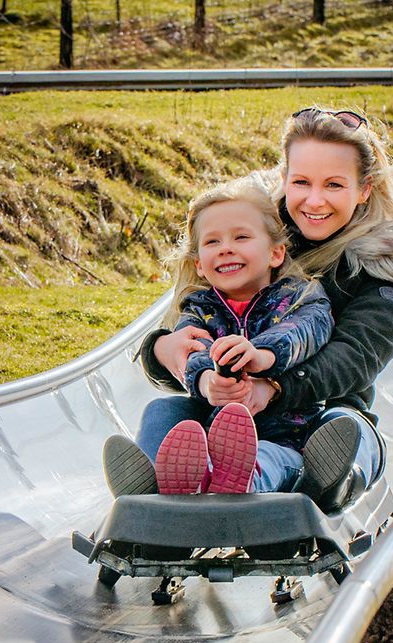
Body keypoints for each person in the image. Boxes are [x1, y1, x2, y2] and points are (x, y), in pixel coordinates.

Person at [110, 107, 393, 510]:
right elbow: (199, 315)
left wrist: (272, 387)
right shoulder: (250, 234)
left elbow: (355, 357)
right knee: (166, 410)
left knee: (349, 431)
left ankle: (321, 484)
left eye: (334, 185)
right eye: (302, 182)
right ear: (284, 177)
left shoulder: (382, 266)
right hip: (223, 412)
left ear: (364, 188)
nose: (315, 200)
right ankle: (150, 492)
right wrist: (162, 350)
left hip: (317, 414)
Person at [105, 176, 333, 496]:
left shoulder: (300, 296)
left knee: (267, 457)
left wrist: (260, 356)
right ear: (199, 264)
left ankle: (237, 480)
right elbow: (193, 348)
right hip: (212, 440)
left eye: (241, 237)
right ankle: (152, 486)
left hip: (285, 440)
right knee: (162, 409)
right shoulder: (200, 307)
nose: (226, 249)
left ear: (275, 253)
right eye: (212, 242)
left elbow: (305, 331)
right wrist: (207, 383)